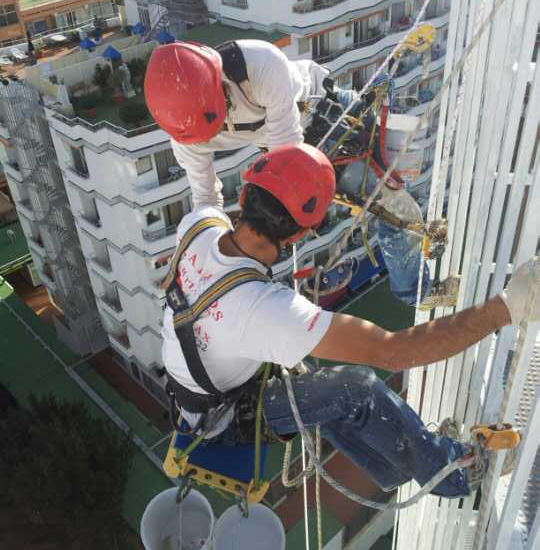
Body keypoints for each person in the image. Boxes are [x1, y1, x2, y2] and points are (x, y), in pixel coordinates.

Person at [162, 144, 539, 499]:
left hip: (194, 388)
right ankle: (456, 472)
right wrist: (507, 308)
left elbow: (207, 201)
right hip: (221, 419)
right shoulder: (265, 312)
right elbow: (392, 351)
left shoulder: (199, 227)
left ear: (245, 197)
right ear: (299, 234)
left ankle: (390, 471)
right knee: (354, 389)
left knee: (320, 386)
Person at [145, 40, 450, 309]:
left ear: (217, 78)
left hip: (322, 109)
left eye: (224, 104)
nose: (225, 120)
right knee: (395, 206)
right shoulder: (187, 134)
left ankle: (419, 232)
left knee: (400, 153)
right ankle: (416, 291)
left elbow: (287, 156)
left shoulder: (259, 65)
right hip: (307, 146)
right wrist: (204, 253)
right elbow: (206, 201)